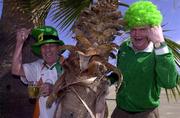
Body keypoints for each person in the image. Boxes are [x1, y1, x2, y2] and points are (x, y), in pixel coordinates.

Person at [109, 1, 180, 118]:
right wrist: (108, 80)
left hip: (147, 113)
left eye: (142, 29)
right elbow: (120, 72)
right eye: (133, 29)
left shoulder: (161, 52)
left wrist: (159, 43)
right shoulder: (124, 48)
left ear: (153, 30)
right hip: (120, 111)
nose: (136, 34)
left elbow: (169, 83)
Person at [11, 26, 65, 118]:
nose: (47, 49)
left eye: (51, 45)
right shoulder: (38, 66)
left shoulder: (69, 67)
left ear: (58, 48)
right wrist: (20, 42)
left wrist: (54, 90)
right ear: (40, 50)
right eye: (43, 46)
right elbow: (16, 70)